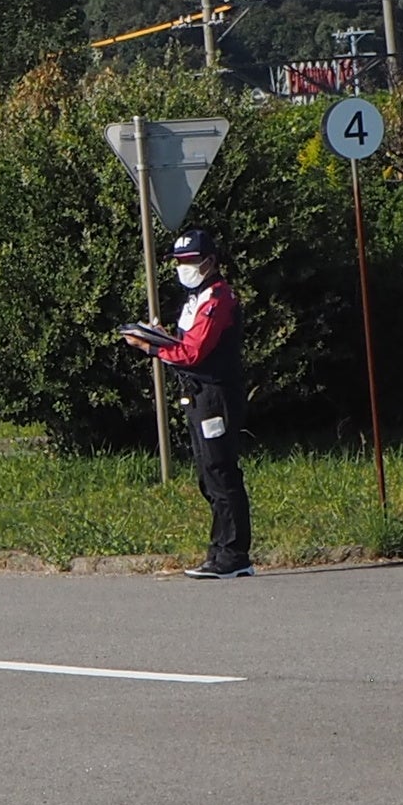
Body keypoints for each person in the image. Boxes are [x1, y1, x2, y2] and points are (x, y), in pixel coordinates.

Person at [121, 228, 249, 578]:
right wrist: (161, 337)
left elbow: (193, 352)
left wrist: (151, 347)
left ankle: (234, 556)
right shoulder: (197, 297)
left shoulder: (218, 298)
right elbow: (186, 342)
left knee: (221, 471)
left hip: (215, 394)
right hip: (197, 393)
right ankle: (219, 551)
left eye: (191, 261)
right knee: (208, 475)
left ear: (210, 261)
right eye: (179, 262)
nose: (184, 268)